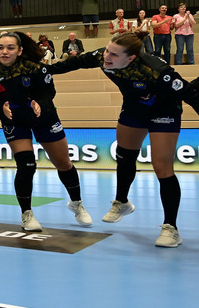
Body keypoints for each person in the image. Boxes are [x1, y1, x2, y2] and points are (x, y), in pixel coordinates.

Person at [49, 32, 199, 248]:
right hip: (133, 109)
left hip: (165, 111)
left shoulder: (157, 72)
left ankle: (171, 228)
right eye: (107, 50)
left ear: (131, 58)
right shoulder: (103, 57)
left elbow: (191, 95)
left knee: (161, 167)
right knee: (125, 156)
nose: (106, 56)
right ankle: (122, 202)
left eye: (113, 54)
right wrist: (46, 69)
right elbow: (77, 62)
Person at [0, 32, 92, 231]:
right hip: (14, 121)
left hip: (44, 117)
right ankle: (27, 214)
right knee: (26, 165)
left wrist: (41, 102)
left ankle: (76, 203)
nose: (5, 51)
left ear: (20, 51)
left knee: (63, 163)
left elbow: (49, 91)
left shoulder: (35, 68)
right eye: (1, 47)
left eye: (10, 48)